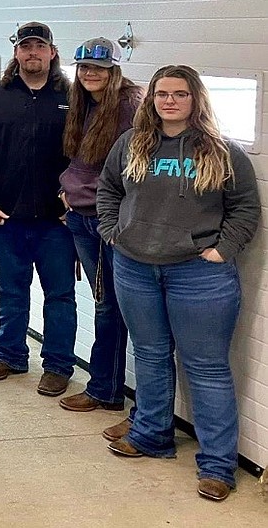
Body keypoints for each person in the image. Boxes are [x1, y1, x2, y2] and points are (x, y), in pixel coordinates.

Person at [97, 65, 260, 503]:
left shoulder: (221, 151)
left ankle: (218, 465)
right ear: (151, 99)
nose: (169, 101)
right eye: (162, 93)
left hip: (199, 275)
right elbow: (109, 190)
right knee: (149, 355)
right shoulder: (132, 143)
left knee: (206, 368)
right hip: (134, 267)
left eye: (180, 94)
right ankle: (151, 434)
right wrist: (114, 232)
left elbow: (245, 207)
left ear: (196, 99)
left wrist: (221, 251)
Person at [0, 22, 77, 398]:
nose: (32, 53)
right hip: (5, 216)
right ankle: (11, 355)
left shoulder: (72, 97)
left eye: (39, 47)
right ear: (16, 53)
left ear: (52, 52)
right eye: (25, 47)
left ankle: (58, 365)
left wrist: (74, 203)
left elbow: (84, 154)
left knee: (60, 294)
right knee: (11, 290)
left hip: (57, 221)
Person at [57, 38, 142, 421]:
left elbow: (133, 169)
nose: (90, 73)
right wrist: (67, 190)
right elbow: (80, 160)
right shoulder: (81, 103)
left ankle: (104, 390)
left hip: (107, 222)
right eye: (85, 67)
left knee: (111, 308)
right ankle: (105, 387)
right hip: (79, 216)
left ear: (114, 71)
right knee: (105, 304)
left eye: (99, 68)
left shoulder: (131, 107)